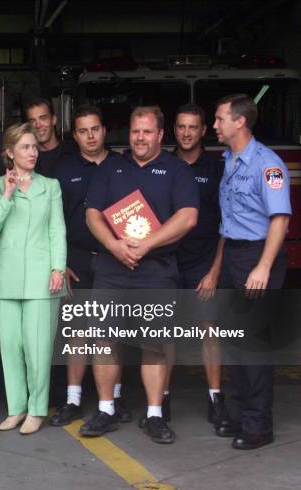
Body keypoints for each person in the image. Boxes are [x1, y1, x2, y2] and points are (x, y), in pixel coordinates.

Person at [85, 106, 199, 444]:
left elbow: (188, 217)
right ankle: (106, 409)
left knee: (155, 344)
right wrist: (115, 246)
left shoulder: (177, 170)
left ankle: (154, 415)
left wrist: (146, 245)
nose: (140, 138)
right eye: (135, 131)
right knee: (105, 339)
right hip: (111, 268)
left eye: (147, 132)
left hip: (156, 271)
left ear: (161, 135)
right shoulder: (110, 167)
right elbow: (92, 214)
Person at [46, 105, 132, 429]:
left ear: (104, 130)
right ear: (75, 135)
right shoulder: (63, 170)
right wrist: (61, 262)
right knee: (78, 332)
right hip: (77, 260)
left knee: (112, 332)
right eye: (83, 131)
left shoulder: (123, 166)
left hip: (116, 258)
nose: (90, 135)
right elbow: (51, 222)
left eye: (95, 129)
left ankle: (115, 398)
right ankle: (72, 400)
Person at [213, 93, 290, 450]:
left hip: (259, 257)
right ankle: (242, 413)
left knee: (254, 345)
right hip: (235, 256)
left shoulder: (267, 164)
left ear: (239, 122)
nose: (215, 126)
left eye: (219, 119)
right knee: (233, 341)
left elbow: (280, 220)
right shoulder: (229, 159)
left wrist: (263, 266)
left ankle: (259, 426)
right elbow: (229, 221)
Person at [0, 122, 67, 435]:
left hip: (42, 279)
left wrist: (58, 268)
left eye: (35, 147)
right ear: (9, 153)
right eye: (25, 147)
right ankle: (16, 407)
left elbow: (57, 229)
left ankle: (36, 409)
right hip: (4, 278)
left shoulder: (51, 186)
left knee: (37, 348)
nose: (33, 152)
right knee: (10, 347)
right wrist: (7, 193)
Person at [162, 103, 232, 431]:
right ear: (172, 130)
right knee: (167, 332)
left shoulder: (217, 168)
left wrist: (215, 271)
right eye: (181, 126)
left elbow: (227, 224)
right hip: (166, 261)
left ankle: (215, 398)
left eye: (193, 127)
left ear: (203, 130)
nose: (186, 133)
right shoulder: (161, 164)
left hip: (204, 261)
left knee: (209, 329)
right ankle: (160, 399)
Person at [25, 97, 70, 177]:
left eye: (43, 118)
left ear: (54, 120)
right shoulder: (26, 158)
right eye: (32, 121)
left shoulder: (71, 152)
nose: (38, 125)